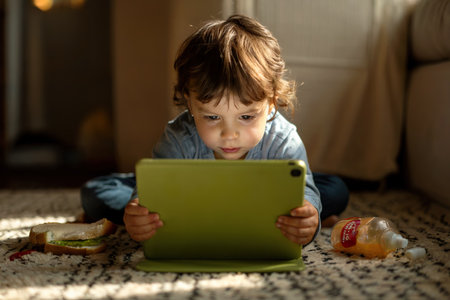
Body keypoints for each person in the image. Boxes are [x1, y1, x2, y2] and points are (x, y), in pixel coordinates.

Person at [81, 15, 349, 246]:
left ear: (271, 104)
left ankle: (311, 214)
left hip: (264, 201)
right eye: (211, 116)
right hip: (187, 198)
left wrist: (308, 216)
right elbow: (151, 194)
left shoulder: (283, 140)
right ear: (189, 102)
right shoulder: (179, 138)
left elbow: (305, 190)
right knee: (95, 194)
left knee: (334, 190)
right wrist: (139, 215)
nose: (229, 134)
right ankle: (130, 194)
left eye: (246, 116)